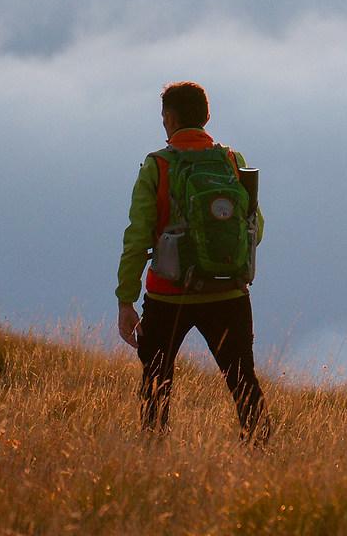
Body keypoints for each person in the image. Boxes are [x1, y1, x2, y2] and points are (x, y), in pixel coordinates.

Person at [114, 80, 270, 442]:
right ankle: (263, 455)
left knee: (156, 382)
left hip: (168, 295)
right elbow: (255, 228)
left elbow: (137, 238)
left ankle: (153, 452)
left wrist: (125, 299)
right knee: (243, 381)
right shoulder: (233, 161)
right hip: (228, 293)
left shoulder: (157, 166)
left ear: (169, 119)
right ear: (206, 117)